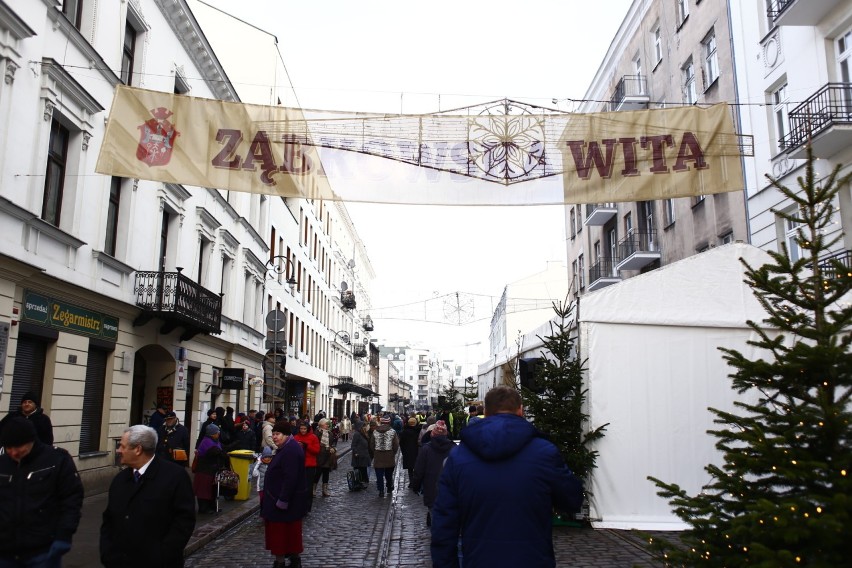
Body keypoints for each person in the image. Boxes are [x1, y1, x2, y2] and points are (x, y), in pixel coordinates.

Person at [430, 386, 583, 568]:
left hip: (479, 560)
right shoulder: (544, 452)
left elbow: (443, 523)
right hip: (533, 560)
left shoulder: (458, 457)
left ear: (485, 413)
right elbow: (572, 500)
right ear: (521, 410)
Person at [100, 425, 195, 568]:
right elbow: (109, 520)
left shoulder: (175, 477)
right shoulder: (120, 480)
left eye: (123, 446)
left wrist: (163, 555)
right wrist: (107, 553)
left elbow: (183, 522)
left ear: (138, 449)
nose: (118, 450)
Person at [0, 417, 83, 567]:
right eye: (8, 447)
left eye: (18, 447)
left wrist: (63, 535)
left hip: (42, 551)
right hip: (4, 552)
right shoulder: (3, 463)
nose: (13, 452)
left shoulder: (57, 460)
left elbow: (71, 499)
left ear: (31, 441)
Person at [261, 421, 308, 568]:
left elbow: (290, 478)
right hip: (283, 501)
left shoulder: (290, 450)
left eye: (278, 434)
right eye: (273, 434)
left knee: (281, 535)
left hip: (283, 502)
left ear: (286, 435)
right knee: (288, 533)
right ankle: (292, 560)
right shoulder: (286, 447)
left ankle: (281, 563)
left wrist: (282, 499)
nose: (274, 437)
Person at [411, 419, 455, 527]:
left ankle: (438, 538)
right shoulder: (454, 448)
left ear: (432, 434)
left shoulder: (426, 449)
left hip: (431, 490)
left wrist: (415, 486)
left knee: (435, 519)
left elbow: (418, 470)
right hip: (450, 491)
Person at [193, 424, 227, 514]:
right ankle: (204, 508)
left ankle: (212, 506)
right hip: (205, 470)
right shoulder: (207, 442)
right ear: (212, 433)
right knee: (204, 490)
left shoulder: (214, 440)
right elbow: (216, 452)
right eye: (217, 432)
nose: (218, 433)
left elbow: (221, 449)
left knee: (212, 489)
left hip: (212, 470)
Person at [369, 415, 399, 497]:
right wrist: (393, 453)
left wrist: (375, 452)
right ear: (389, 422)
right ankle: (389, 487)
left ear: (381, 422)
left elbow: (372, 444)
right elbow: (396, 444)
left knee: (379, 475)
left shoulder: (375, 432)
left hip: (378, 455)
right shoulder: (392, 431)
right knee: (389, 474)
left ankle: (381, 490)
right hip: (389, 455)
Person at [293, 420, 319, 511]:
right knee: (298, 487)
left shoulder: (313, 437)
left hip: (310, 465)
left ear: (307, 429)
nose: (303, 430)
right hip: (298, 465)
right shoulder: (295, 437)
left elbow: (316, 451)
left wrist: (306, 446)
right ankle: (298, 506)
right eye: (301, 428)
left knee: (308, 487)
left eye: (304, 429)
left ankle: (307, 507)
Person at [313, 418, 338, 497]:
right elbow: (315, 444)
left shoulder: (330, 433)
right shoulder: (316, 433)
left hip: (328, 456)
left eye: (328, 424)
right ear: (321, 425)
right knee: (317, 473)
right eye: (326, 424)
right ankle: (313, 490)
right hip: (319, 456)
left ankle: (325, 490)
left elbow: (332, 444)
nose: (328, 425)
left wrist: (333, 449)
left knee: (326, 474)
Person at [399, 416, 421, 488]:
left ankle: (411, 482)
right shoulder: (418, 431)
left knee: (410, 469)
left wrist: (403, 451)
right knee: (417, 468)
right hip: (417, 451)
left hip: (407, 452)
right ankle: (416, 482)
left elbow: (401, 443)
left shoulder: (404, 432)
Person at [350, 423, 371, 489]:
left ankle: (363, 483)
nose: (366, 428)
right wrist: (356, 452)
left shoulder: (364, 434)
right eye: (365, 427)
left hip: (364, 456)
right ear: (361, 427)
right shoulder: (357, 434)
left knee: (363, 470)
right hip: (358, 457)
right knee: (359, 471)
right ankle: (359, 483)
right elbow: (353, 445)